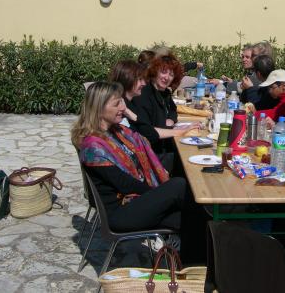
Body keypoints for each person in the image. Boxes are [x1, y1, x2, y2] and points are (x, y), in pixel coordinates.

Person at [71, 82, 207, 264]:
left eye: (122, 102)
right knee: (179, 185)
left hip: (134, 202)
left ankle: (194, 267)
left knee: (191, 217)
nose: (122, 107)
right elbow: (125, 184)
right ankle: (197, 266)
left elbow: (146, 130)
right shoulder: (94, 147)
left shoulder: (117, 132)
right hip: (121, 213)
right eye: (116, 104)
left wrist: (128, 113)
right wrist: (161, 193)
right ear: (99, 108)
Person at [132, 54, 198, 168]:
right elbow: (146, 132)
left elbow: (173, 110)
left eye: (171, 74)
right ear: (154, 72)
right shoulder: (144, 94)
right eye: (163, 72)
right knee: (189, 162)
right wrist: (179, 131)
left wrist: (170, 120)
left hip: (162, 147)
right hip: (150, 155)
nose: (167, 77)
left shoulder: (163, 92)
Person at [108, 59, 147, 129]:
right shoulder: (119, 110)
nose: (144, 83)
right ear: (128, 79)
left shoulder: (134, 102)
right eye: (140, 79)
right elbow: (149, 133)